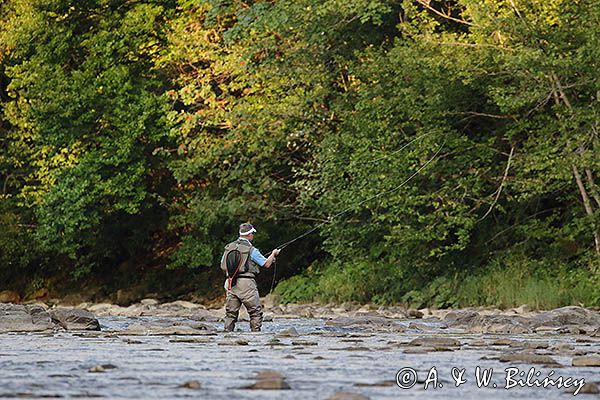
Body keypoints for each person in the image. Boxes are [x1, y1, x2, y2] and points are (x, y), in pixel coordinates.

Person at [222, 223, 280, 332]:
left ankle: (227, 338)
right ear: (249, 234)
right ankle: (255, 338)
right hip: (246, 284)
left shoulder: (229, 247)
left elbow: (223, 265)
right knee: (255, 313)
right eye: (252, 233)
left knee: (230, 314)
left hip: (230, 283)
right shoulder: (251, 250)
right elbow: (266, 264)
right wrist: (273, 254)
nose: (253, 235)